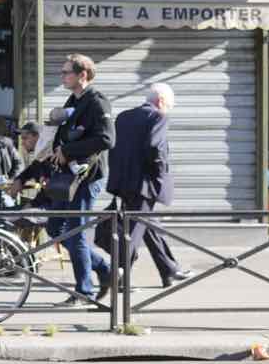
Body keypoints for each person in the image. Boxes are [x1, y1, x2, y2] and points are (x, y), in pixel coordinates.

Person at [16, 53, 114, 304]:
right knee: (55, 227)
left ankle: (84, 292)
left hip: (86, 177)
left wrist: (68, 151)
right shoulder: (74, 99)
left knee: (76, 232)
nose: (62, 77)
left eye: (66, 72)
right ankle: (104, 268)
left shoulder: (97, 102)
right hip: (66, 176)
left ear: (82, 75)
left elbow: (107, 140)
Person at [106, 84, 190, 287]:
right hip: (144, 184)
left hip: (124, 183)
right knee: (133, 232)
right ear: (160, 101)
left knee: (149, 225)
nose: (168, 109)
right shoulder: (158, 117)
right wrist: (159, 177)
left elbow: (113, 149)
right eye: (169, 105)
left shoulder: (124, 117)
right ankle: (117, 277)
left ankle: (169, 269)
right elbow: (156, 148)